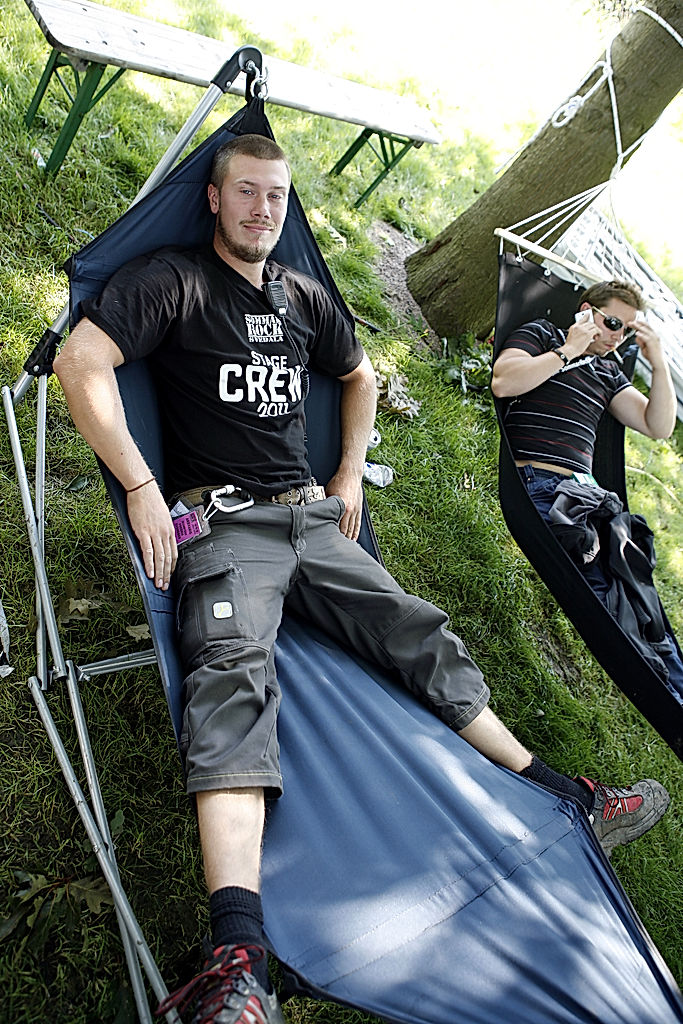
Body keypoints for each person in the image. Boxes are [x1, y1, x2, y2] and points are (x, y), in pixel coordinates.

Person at [54, 137, 670, 1024]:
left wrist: (346, 475)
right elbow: (83, 362)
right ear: (215, 202)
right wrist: (143, 488)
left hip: (310, 515)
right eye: (247, 195)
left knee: (419, 630)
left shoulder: (305, 294)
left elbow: (361, 374)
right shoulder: (172, 282)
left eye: (276, 197)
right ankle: (236, 958)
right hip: (222, 522)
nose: (264, 211)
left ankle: (564, 794)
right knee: (230, 672)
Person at [491, 281, 683, 700]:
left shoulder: (608, 373)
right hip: (546, 490)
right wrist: (567, 351)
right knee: (608, 602)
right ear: (585, 311)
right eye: (612, 322)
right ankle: (669, 698)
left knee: (644, 606)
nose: (617, 335)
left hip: (593, 501)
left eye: (626, 331)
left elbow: (659, 426)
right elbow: (504, 382)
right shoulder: (543, 336)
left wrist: (659, 364)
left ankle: (678, 695)